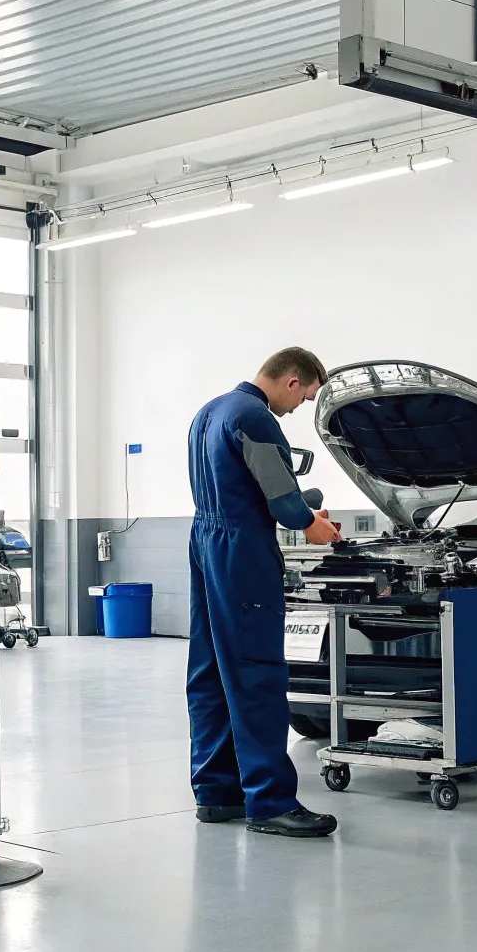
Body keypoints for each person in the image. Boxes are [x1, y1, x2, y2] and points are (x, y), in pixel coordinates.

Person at [186, 346, 344, 838]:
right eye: (305, 397)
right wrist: (310, 523)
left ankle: (217, 794)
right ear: (292, 381)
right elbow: (281, 499)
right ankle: (270, 802)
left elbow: (242, 485)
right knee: (256, 675)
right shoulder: (255, 417)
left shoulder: (209, 412)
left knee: (211, 671)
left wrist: (299, 509)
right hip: (243, 552)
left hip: (205, 542)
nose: (298, 408)